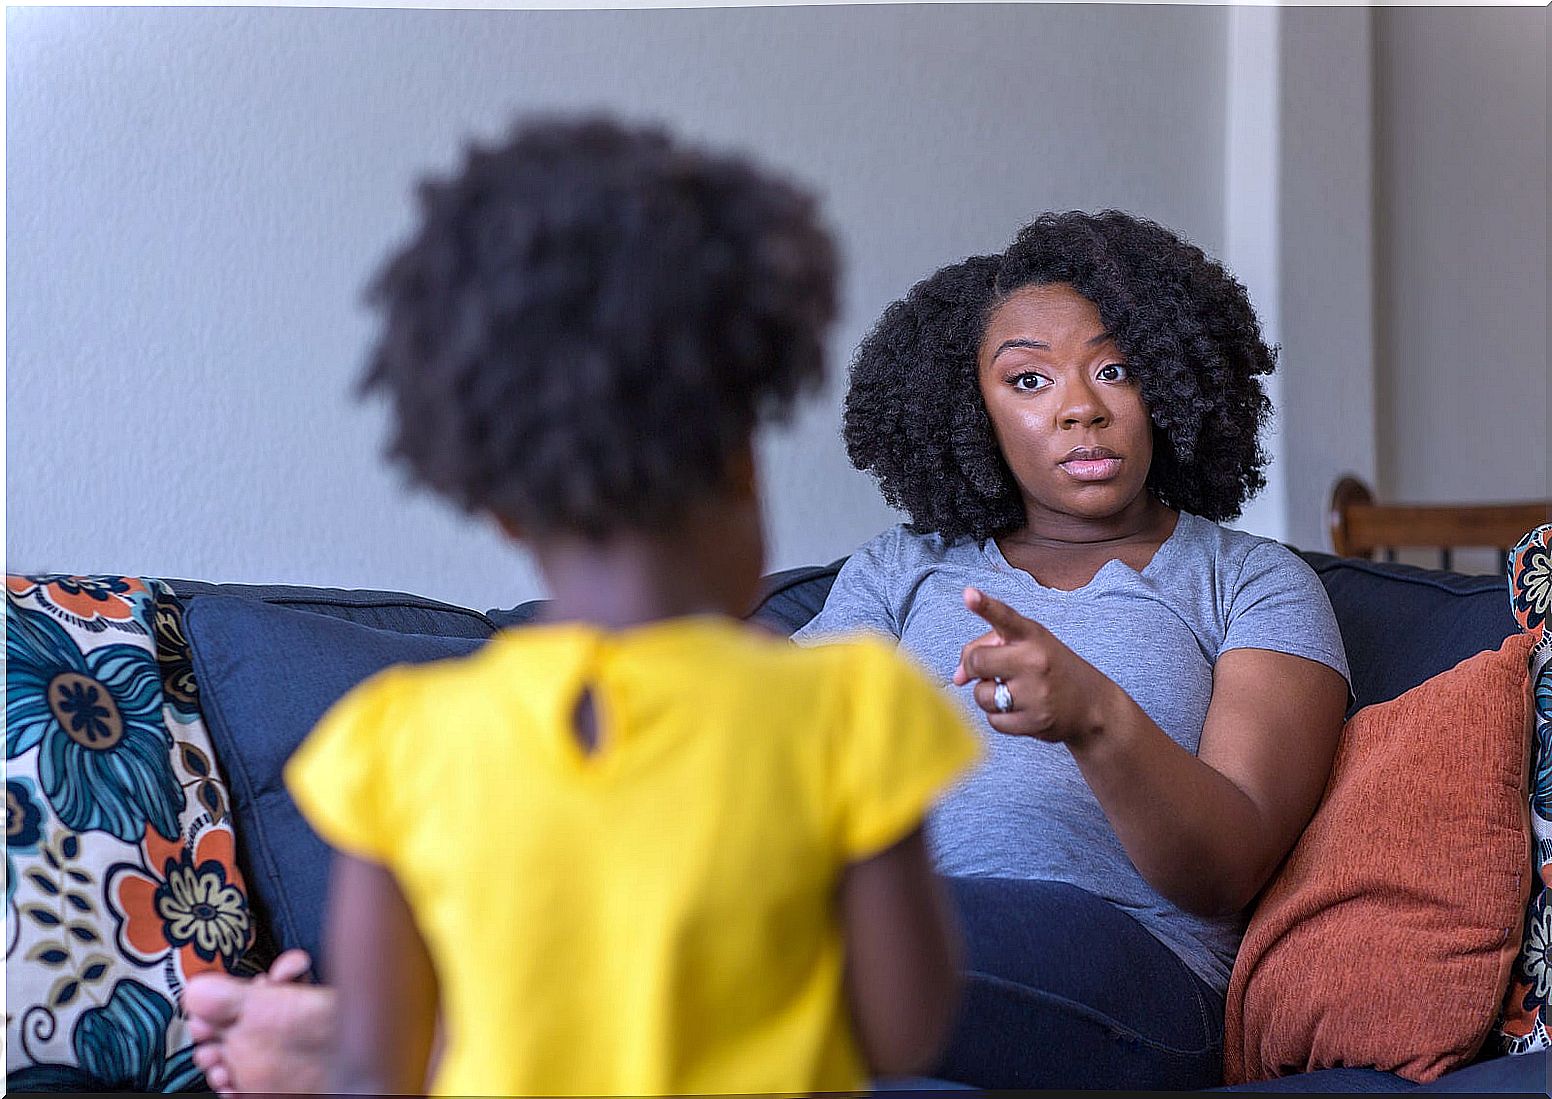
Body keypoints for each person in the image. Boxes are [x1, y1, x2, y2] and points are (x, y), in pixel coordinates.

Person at [186, 116, 981, 1097]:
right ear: (740, 464)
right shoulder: (855, 707)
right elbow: (902, 1030)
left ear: (500, 508)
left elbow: (370, 1073)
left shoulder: (393, 738)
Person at [793, 213, 1350, 1090]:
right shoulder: (901, 568)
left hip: (1136, 966)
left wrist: (1092, 716)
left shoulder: (1249, 581)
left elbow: (1231, 864)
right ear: (972, 410)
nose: (1081, 406)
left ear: (1170, 384)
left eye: (1116, 369)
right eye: (1027, 379)